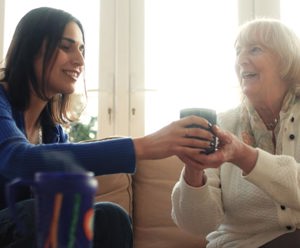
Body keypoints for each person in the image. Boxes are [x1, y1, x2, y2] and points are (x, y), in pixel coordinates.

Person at [0, 7, 214, 248]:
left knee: (110, 217)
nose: (80, 61)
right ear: (31, 50)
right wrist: (145, 145)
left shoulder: (52, 132)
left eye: (82, 49)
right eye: (66, 47)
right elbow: (17, 160)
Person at [171, 18, 300, 248]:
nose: (241, 59)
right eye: (238, 51)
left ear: (285, 61)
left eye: (255, 49)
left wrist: (245, 156)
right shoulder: (224, 125)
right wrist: (193, 170)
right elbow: (196, 225)